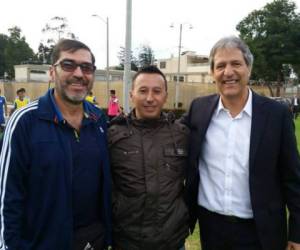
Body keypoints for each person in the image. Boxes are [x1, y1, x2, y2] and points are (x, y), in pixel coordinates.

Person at [183, 36, 300, 250]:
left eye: (236, 63)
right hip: (212, 229)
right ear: (212, 73)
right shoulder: (198, 110)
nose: (228, 72)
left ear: (249, 69)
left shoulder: (276, 116)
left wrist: (297, 233)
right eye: (220, 66)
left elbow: (293, 178)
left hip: (261, 232)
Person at [0, 39, 112, 250]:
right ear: (52, 72)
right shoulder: (25, 121)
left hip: (93, 242)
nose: (79, 73)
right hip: (41, 243)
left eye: (86, 67)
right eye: (68, 65)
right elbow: (8, 197)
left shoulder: (98, 119)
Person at [108, 66, 189, 250]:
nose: (150, 98)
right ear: (131, 95)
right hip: (126, 241)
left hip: (172, 242)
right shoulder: (113, 135)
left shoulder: (182, 134)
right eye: (143, 91)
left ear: (166, 96)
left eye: (157, 91)